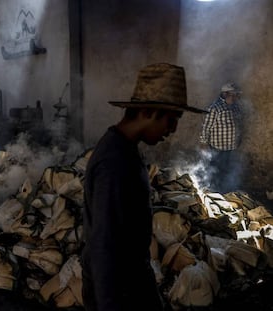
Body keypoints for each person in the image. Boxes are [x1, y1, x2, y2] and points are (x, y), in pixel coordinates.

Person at [81, 63, 207, 311]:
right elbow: (104, 245)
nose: (172, 130)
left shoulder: (123, 149)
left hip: (131, 282)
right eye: (172, 120)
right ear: (149, 112)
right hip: (120, 292)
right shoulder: (115, 163)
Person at [199, 82, 243, 193]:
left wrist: (239, 138)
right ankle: (214, 192)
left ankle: (224, 192)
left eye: (235, 95)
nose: (234, 97)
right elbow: (206, 127)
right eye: (231, 95)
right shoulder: (214, 108)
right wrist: (203, 142)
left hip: (231, 147)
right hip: (217, 147)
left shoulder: (235, 106)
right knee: (216, 170)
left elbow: (238, 123)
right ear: (224, 94)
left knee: (227, 169)